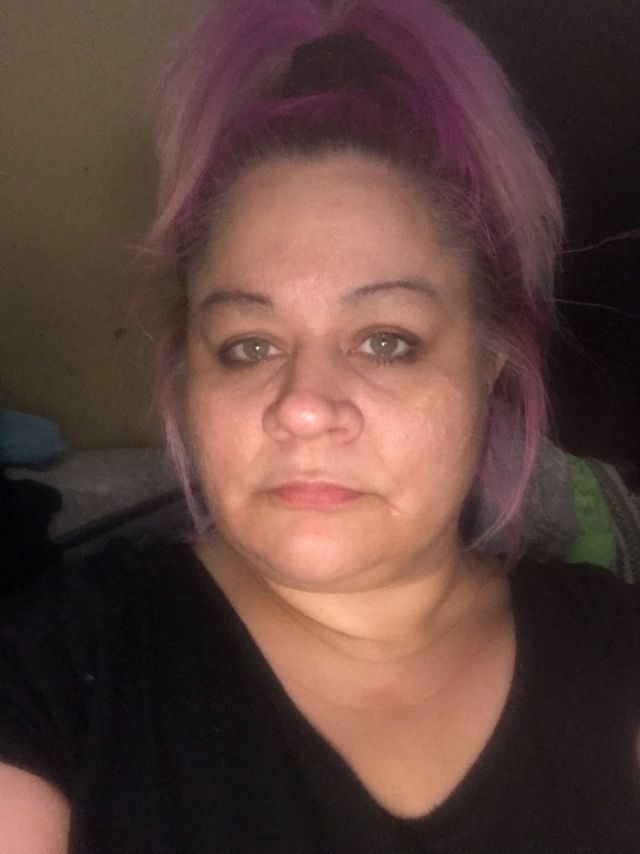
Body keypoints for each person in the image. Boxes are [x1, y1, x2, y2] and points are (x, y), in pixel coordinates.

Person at [1, 0, 639, 850]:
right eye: (249, 345)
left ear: (492, 362)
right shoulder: (58, 668)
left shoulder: (614, 654)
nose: (301, 405)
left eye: (386, 341)